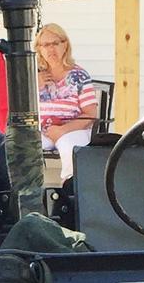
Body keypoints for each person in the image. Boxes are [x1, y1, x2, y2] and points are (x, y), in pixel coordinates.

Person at [35, 23, 99, 181]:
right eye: (45, 45)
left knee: (70, 146)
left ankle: (71, 193)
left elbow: (90, 115)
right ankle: (29, 195)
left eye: (55, 43)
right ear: (39, 49)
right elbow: (21, 111)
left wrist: (63, 130)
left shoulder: (79, 75)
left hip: (73, 129)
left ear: (65, 45)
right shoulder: (35, 75)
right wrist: (34, 86)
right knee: (22, 147)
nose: (50, 49)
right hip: (43, 131)